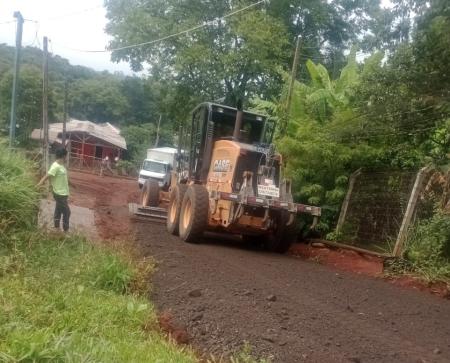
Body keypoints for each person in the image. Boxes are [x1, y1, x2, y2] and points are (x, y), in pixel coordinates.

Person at [38, 148, 71, 232]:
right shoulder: (55, 166)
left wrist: (73, 185)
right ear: (64, 156)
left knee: (58, 209)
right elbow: (47, 176)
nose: (66, 157)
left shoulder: (61, 165)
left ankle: (56, 227)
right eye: (66, 156)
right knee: (67, 212)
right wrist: (38, 185)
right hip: (59, 193)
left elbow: (64, 178)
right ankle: (66, 231)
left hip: (63, 193)